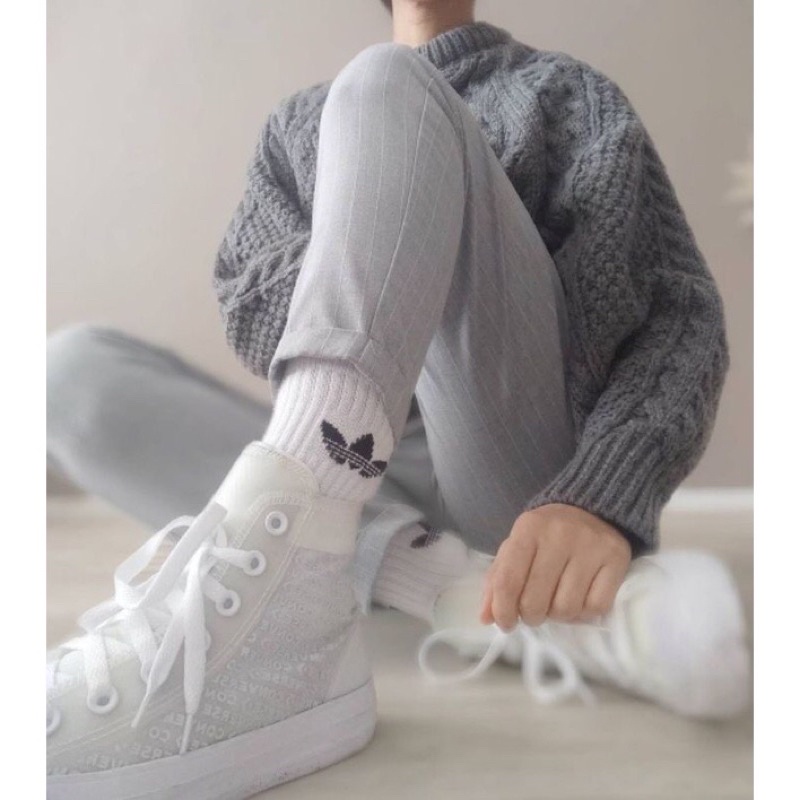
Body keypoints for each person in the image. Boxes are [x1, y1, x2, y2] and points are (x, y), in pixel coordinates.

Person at [45, 1, 750, 797]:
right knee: (66, 376)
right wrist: (384, 235)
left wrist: (599, 497)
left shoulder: (566, 94)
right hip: (364, 455)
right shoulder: (300, 124)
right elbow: (251, 305)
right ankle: (425, 574)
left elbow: (679, 320)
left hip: (515, 467)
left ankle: (318, 550)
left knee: (385, 84)